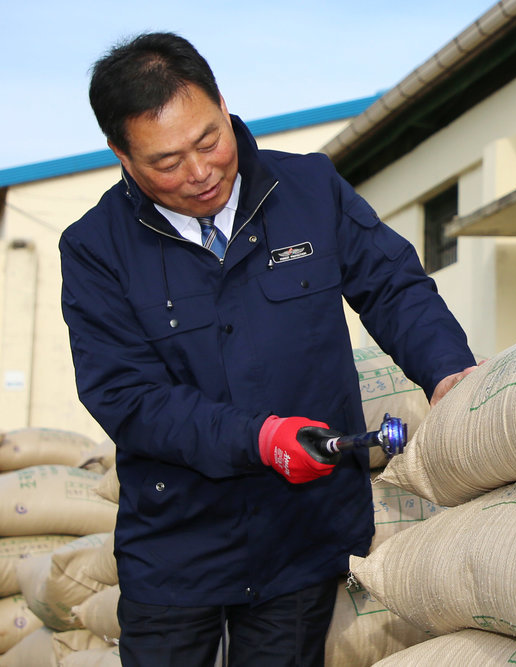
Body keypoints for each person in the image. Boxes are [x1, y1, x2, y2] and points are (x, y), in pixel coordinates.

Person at [59, 31, 477, 666]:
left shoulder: (307, 187)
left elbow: (392, 284)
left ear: (224, 106)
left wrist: (448, 372)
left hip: (301, 531)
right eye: (167, 163)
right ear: (121, 153)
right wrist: (258, 438)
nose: (200, 173)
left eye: (209, 140)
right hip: (179, 543)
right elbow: (127, 398)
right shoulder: (95, 248)